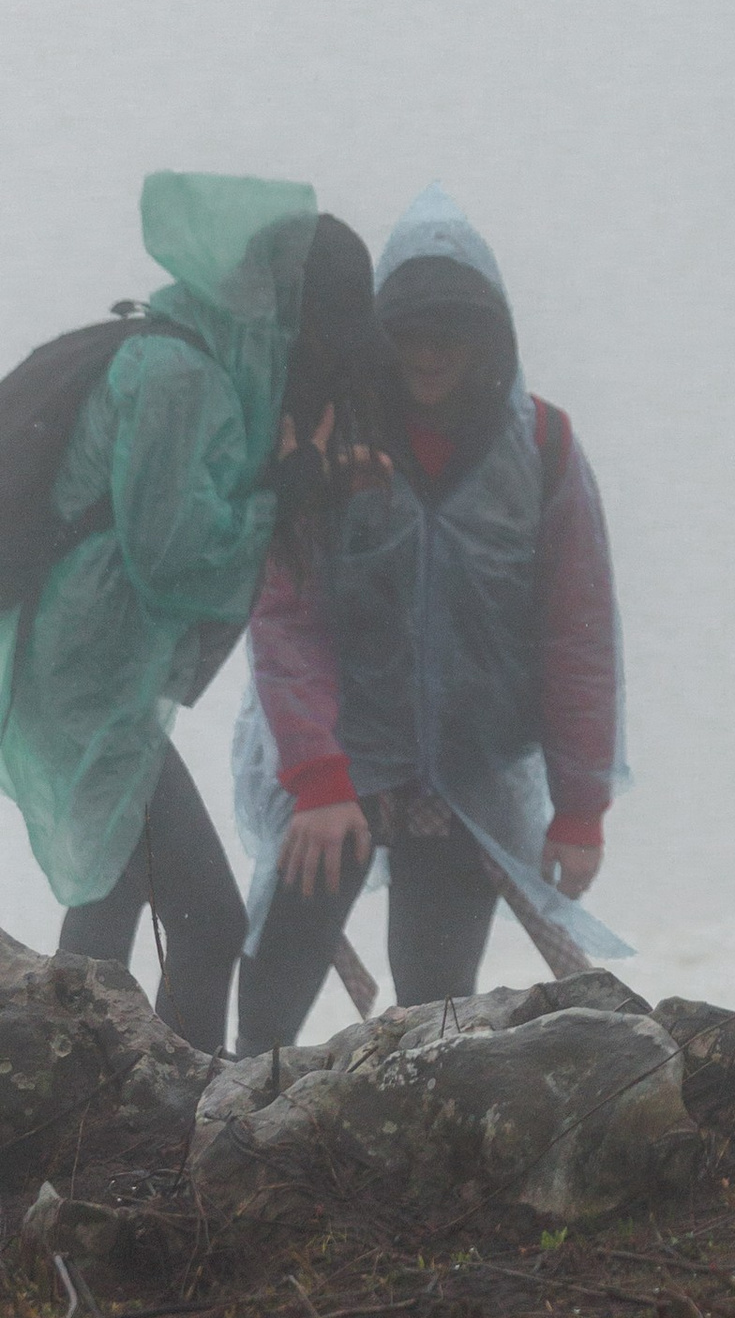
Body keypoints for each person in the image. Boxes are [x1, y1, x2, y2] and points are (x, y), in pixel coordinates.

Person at [2, 174, 382, 1058]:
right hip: (87, 680)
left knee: (131, 906)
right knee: (197, 920)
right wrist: (289, 487)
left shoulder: (190, 363)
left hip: (89, 678)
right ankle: (158, 1140)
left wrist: (294, 485)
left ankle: (113, 1134)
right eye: (323, 328)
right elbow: (173, 556)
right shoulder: (181, 374)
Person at [234, 187, 624, 1047]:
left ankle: (400, 1179)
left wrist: (581, 807)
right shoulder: (335, 432)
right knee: (273, 988)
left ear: (493, 332)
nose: (431, 350)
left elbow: (579, 634)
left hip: (468, 771)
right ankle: (225, 1149)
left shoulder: (543, 448)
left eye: (454, 327)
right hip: (335, 764)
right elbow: (286, 614)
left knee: (436, 1003)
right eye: (410, 328)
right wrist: (318, 776)